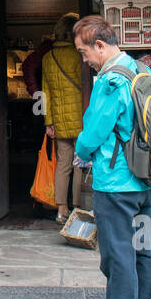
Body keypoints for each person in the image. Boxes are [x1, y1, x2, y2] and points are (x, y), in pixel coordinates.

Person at [71, 14, 151, 299]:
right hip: (145, 181)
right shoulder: (142, 71)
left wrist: (81, 151)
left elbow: (93, 132)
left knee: (118, 254)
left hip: (117, 183)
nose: (84, 59)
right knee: (142, 247)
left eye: (84, 51)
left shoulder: (110, 81)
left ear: (101, 46)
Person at [41, 12, 84, 223]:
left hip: (59, 120)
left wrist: (49, 122)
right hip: (81, 119)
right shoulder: (79, 56)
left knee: (63, 164)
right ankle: (77, 207)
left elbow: (45, 92)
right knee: (80, 164)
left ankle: (61, 209)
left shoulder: (48, 59)